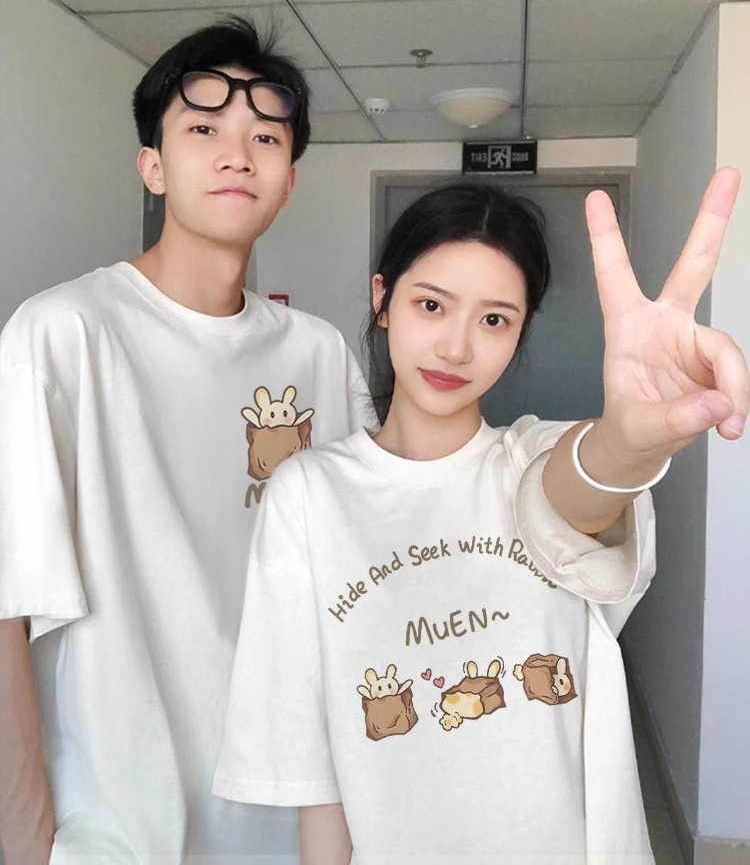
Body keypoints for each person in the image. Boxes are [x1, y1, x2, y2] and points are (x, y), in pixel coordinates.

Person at [213, 172, 749, 864]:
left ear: (521, 330)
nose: (456, 347)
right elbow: (313, 769)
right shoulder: (309, 495)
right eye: (431, 305)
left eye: (495, 319)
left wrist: (629, 442)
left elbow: (587, 479)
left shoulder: (533, 461)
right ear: (382, 299)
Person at [0, 17, 372, 864]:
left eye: (264, 137)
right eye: (204, 130)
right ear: (153, 167)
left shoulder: (318, 355)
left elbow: (359, 573)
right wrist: (25, 838)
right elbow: (6, 605)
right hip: (117, 826)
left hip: (291, 812)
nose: (237, 155)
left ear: (289, 179)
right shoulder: (61, 336)